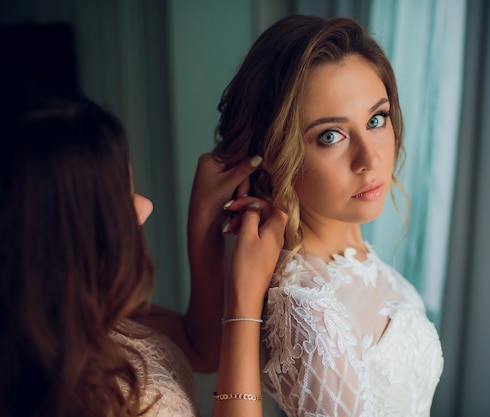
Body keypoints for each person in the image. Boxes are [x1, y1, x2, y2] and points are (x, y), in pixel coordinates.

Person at [209, 15, 444, 416]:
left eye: (376, 119)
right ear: (272, 155)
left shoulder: (350, 261)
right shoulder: (310, 311)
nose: (370, 160)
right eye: (330, 136)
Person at [0, 87, 286, 417]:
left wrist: (205, 218)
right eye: (120, 198)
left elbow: (199, 347)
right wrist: (245, 302)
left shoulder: (80, 314)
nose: (145, 206)